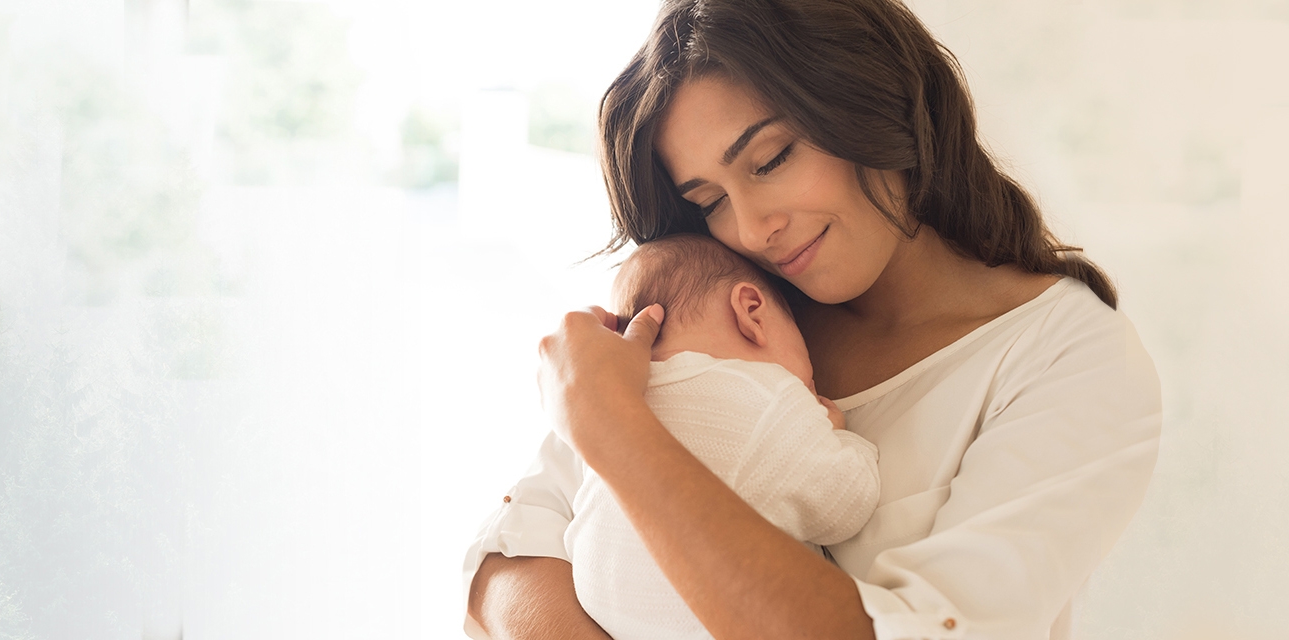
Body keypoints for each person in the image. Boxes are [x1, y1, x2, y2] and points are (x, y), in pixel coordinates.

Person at [462, 0, 1162, 639]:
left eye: (770, 160)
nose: (751, 227)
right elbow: (505, 567)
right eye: (709, 200)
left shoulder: (1066, 358)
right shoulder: (726, 311)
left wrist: (613, 428)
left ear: (869, 102)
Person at [566, 233, 880, 640]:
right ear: (752, 312)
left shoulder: (613, 402)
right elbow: (845, 506)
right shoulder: (767, 396)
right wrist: (841, 438)